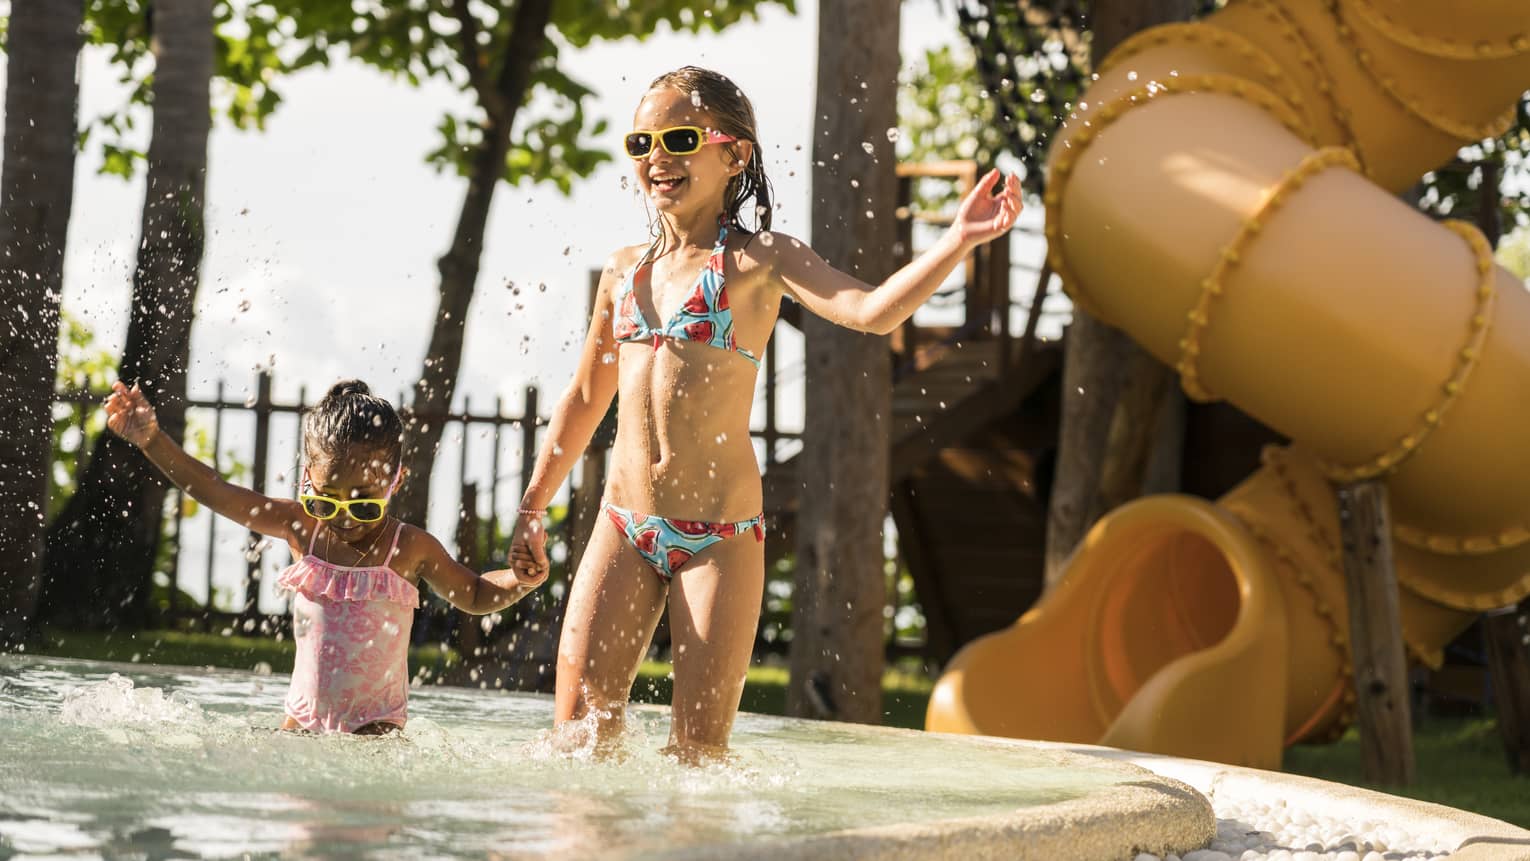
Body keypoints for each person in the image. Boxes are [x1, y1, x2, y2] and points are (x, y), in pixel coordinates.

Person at [509, 66, 1021, 762]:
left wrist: (956, 239)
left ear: (735, 153)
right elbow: (582, 399)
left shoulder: (756, 261)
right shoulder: (623, 271)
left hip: (717, 537)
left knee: (696, 755)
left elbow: (871, 312)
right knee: (576, 739)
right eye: (641, 143)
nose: (658, 157)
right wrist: (535, 503)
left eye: (680, 138)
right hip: (623, 526)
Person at [105, 378, 547, 734]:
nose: (345, 519)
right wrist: (152, 440)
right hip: (299, 723)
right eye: (326, 501)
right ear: (307, 479)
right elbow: (217, 492)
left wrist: (519, 580)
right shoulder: (302, 528)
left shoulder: (409, 547)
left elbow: (471, 592)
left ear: (396, 481)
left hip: (376, 732)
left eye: (364, 503)